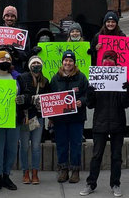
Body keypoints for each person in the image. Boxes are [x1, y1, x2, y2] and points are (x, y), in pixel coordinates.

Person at [80, 51, 129, 197]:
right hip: (100, 123)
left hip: (117, 123)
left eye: (111, 58)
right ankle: (91, 183)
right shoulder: (96, 78)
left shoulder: (122, 79)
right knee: (96, 155)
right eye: (106, 58)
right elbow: (90, 105)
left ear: (116, 62)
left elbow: (127, 103)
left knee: (116, 156)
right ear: (102, 61)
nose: (108, 61)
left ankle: (115, 184)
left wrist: (124, 90)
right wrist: (90, 92)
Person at [49, 50, 89, 183]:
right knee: (61, 144)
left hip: (77, 118)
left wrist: (81, 101)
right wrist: (51, 117)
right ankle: (63, 170)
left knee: (76, 144)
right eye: (65, 60)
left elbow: (88, 94)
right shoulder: (55, 78)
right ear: (62, 62)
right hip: (60, 119)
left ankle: (75, 170)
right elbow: (50, 97)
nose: (68, 63)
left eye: (70, 61)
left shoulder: (81, 77)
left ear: (74, 63)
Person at [0, 50, 23, 193]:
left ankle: (7, 175)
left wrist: (21, 100)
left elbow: (25, 93)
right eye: (1, 60)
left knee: (11, 149)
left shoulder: (17, 77)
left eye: (7, 60)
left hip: (13, 119)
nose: (4, 62)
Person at [18, 56, 50, 185]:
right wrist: (29, 99)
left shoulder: (45, 81)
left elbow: (49, 99)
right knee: (24, 146)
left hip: (38, 117)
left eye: (38, 63)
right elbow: (18, 96)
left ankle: (35, 172)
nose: (36, 65)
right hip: (26, 117)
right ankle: (25, 171)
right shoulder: (22, 78)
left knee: (36, 146)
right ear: (29, 65)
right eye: (34, 63)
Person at [0, 6, 28, 70]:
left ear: (16, 18)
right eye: (7, 16)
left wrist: (16, 52)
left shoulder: (22, 34)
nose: (9, 18)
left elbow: (26, 54)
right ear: (3, 17)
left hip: (16, 68)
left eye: (12, 16)